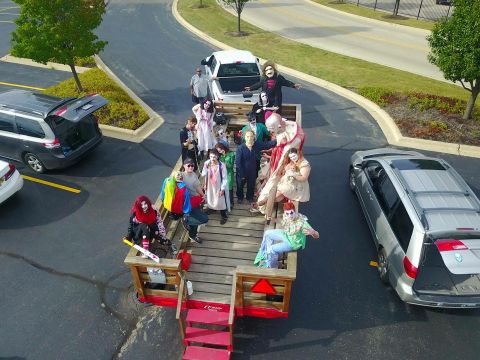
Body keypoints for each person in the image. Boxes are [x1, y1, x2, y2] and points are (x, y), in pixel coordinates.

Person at [254, 202, 319, 268]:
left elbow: (317, 236)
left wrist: (313, 232)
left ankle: (273, 266)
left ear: (294, 211)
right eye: (287, 213)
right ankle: (265, 255)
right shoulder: (286, 216)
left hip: (292, 243)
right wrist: (273, 219)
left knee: (271, 249)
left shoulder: (302, 222)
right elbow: (283, 222)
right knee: (267, 233)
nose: (289, 216)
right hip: (286, 234)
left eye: (291, 213)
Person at [236, 130, 276, 205]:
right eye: (247, 136)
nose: (249, 138)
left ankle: (249, 197)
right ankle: (240, 197)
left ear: (254, 137)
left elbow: (267, 144)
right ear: (244, 137)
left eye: (251, 136)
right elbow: (238, 163)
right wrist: (242, 174)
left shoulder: (256, 145)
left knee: (251, 184)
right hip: (242, 171)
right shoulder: (240, 148)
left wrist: (278, 140)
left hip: (252, 170)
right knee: (240, 185)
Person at [181, 158, 209, 244]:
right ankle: (185, 220)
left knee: (198, 219)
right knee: (204, 219)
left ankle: (192, 234)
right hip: (186, 204)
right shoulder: (181, 175)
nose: (190, 167)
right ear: (184, 166)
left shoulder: (193, 174)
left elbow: (197, 186)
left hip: (195, 201)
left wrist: (203, 195)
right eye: (188, 165)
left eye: (192, 165)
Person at [201, 148, 230, 224]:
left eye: (214, 157)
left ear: (217, 156)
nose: (212, 159)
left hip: (218, 185)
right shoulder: (207, 163)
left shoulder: (222, 166)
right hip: (210, 185)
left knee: (220, 200)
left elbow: (225, 178)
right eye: (211, 157)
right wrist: (204, 183)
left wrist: (222, 189)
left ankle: (224, 215)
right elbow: (204, 173)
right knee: (210, 197)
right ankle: (212, 208)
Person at [215, 142, 235, 208]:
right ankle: (224, 202)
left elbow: (231, 165)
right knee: (222, 188)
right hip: (221, 174)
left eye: (220, 149)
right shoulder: (219, 155)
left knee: (229, 188)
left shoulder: (231, 154)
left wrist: (225, 164)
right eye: (218, 150)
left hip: (229, 173)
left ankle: (231, 202)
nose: (219, 151)